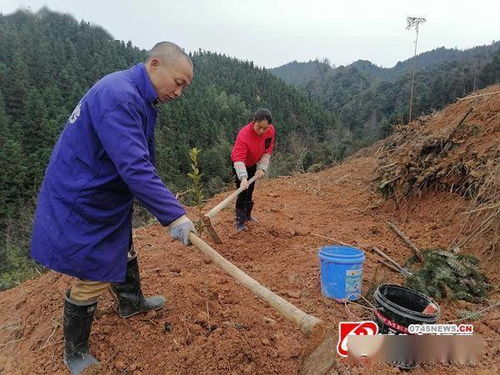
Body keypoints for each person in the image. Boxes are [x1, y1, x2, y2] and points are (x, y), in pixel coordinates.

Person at [30, 42, 196, 375]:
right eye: (178, 82)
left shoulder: (138, 96)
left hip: (103, 188)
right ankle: (74, 353)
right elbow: (135, 166)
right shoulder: (120, 96)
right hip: (84, 193)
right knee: (93, 269)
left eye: (184, 87)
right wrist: (174, 215)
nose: (179, 92)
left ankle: (131, 302)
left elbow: (140, 159)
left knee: (122, 245)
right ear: (155, 64)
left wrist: (160, 199)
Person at [230, 108, 276, 231]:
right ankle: (240, 222)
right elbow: (238, 158)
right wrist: (243, 178)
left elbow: (267, 151)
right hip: (240, 164)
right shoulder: (244, 135)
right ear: (253, 122)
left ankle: (248, 216)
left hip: (253, 163)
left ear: (269, 126)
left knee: (250, 190)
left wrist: (262, 168)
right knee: (242, 192)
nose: (262, 131)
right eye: (259, 127)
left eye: (265, 128)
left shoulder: (270, 131)